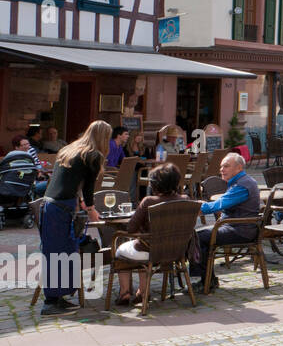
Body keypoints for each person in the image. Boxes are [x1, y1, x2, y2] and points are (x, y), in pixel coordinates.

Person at [37, 120, 109, 316]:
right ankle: (51, 302)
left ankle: (57, 298)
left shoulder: (69, 150)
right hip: (61, 208)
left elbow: (67, 181)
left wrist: (82, 203)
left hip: (50, 206)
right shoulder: (93, 155)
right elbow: (88, 188)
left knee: (61, 252)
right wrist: (92, 211)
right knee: (60, 255)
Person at [115, 163, 186, 306]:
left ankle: (125, 292)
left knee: (121, 249)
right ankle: (142, 292)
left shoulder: (149, 201)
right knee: (143, 243)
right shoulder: (185, 199)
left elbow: (131, 228)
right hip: (176, 251)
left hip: (151, 250)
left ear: (154, 185)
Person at [191, 152, 261, 290]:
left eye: (226, 166)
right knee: (200, 236)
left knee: (198, 237)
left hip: (241, 230)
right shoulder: (241, 181)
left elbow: (218, 205)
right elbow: (222, 203)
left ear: (239, 168)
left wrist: (194, 207)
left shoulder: (242, 185)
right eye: (221, 166)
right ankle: (208, 279)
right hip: (238, 227)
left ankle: (206, 282)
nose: (222, 169)